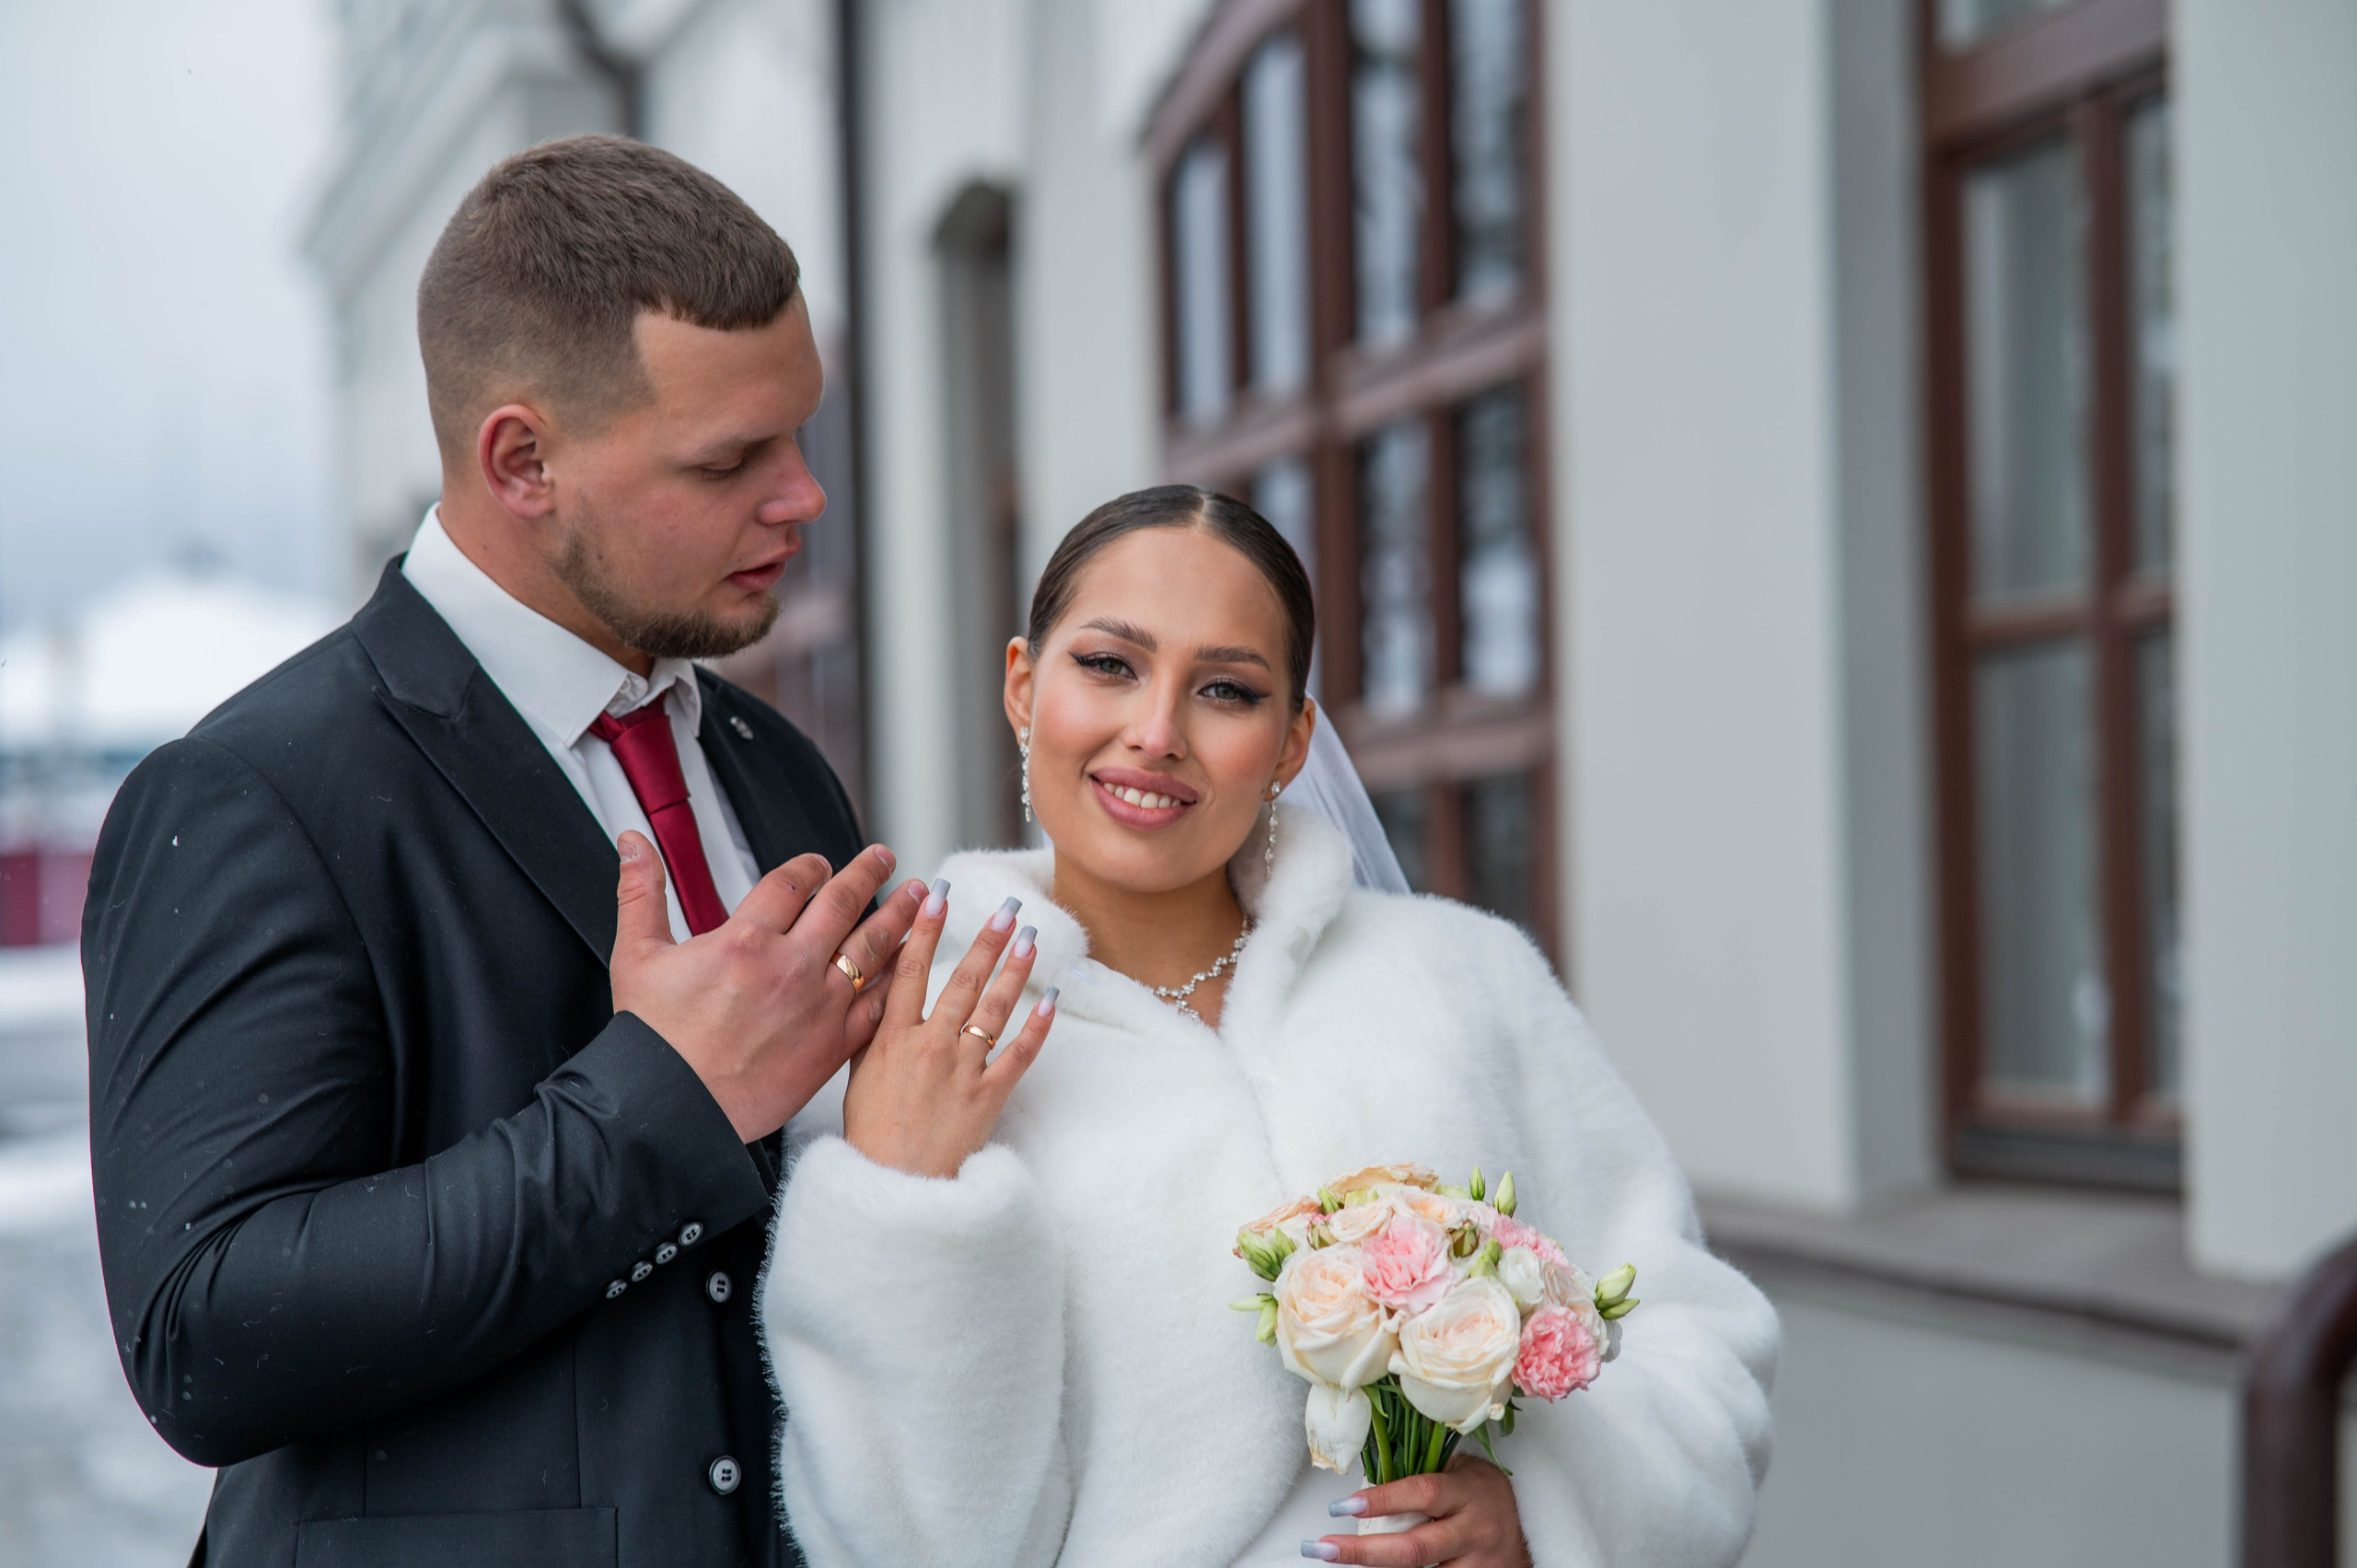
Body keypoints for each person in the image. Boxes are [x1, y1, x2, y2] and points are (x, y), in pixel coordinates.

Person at [82, 135, 998, 1568]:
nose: (804, 496)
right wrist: (663, 1099)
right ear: (522, 459)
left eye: (803, 433)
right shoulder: (255, 790)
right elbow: (205, 1329)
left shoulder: (775, 764)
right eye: (731, 459)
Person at [761, 486, 1782, 1568]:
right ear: (1022, 685)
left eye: (1225, 690)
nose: (1154, 733)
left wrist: (1551, 1509)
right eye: (1108, 664)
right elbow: (902, 1542)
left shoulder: (1462, 979)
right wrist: (905, 1202)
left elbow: (1692, 1335)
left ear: (1293, 739)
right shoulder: (909, 1026)